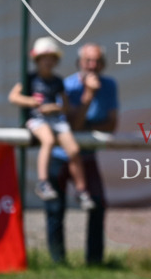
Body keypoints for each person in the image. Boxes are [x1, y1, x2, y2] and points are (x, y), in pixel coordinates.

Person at [47, 42, 119, 266]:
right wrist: (88, 96)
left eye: (97, 61)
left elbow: (111, 125)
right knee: (56, 208)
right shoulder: (67, 87)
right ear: (79, 63)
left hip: (87, 156)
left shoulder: (109, 85)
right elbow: (72, 127)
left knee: (97, 204)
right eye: (88, 61)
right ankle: (57, 262)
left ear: (103, 64)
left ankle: (95, 261)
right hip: (61, 156)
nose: (92, 66)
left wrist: (83, 126)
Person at [8, 37, 94, 211]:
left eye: (51, 58)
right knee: (47, 141)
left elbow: (65, 107)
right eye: (44, 58)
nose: (48, 62)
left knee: (74, 150)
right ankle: (42, 182)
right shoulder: (29, 79)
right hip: (37, 119)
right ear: (37, 60)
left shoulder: (57, 81)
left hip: (56, 120)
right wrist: (31, 102)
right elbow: (13, 97)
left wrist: (53, 107)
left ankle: (81, 190)